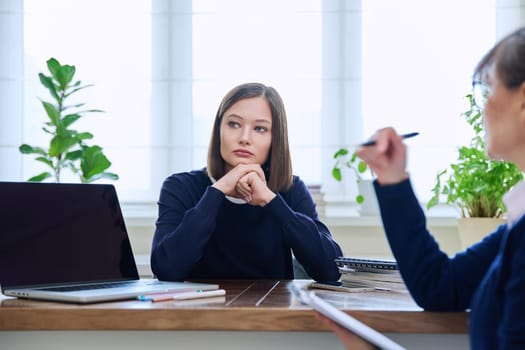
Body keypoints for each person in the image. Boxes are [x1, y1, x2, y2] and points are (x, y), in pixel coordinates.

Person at [321, 26, 525, 349]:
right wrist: (392, 178)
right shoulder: (518, 224)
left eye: (489, 89)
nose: (483, 107)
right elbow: (441, 287)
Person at [151, 82, 342, 282]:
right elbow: (166, 269)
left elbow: (330, 269)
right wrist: (218, 191)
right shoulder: (180, 186)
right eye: (234, 124)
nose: (244, 138)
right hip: (200, 311)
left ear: (274, 139)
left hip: (270, 311)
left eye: (260, 128)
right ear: (219, 131)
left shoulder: (291, 189)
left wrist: (272, 201)